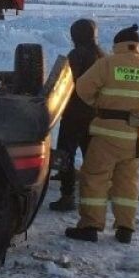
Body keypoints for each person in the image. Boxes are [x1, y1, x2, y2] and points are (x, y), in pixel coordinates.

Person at [65, 24, 139, 244]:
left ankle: (90, 226)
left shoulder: (108, 63)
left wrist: (99, 104)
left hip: (109, 131)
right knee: (127, 181)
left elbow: (83, 88)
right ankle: (126, 228)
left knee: (95, 177)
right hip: (137, 135)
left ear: (118, 44)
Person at [49, 18, 104, 211]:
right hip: (95, 113)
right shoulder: (102, 56)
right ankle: (97, 191)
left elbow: (67, 82)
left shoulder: (77, 54)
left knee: (66, 153)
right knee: (90, 153)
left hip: (74, 113)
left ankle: (67, 195)